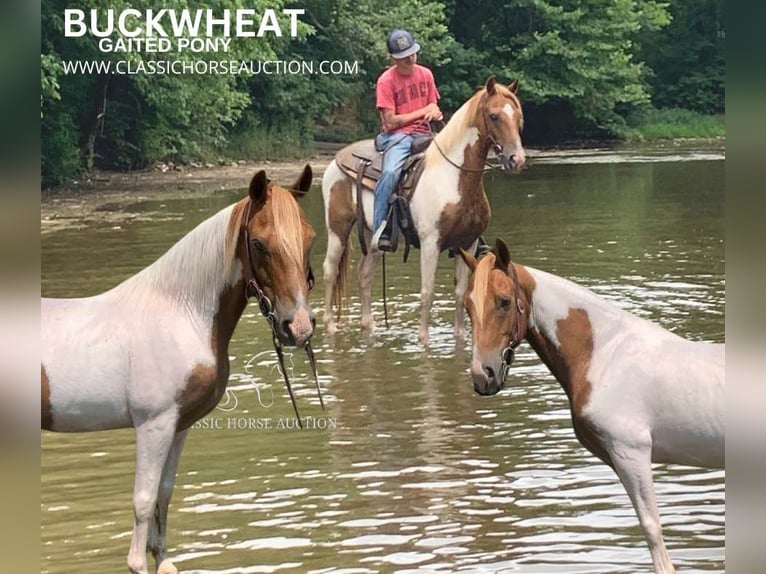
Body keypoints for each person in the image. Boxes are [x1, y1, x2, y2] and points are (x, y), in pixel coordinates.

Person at [371, 29, 442, 251]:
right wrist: (423, 111)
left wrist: (435, 112)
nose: (410, 59)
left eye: (412, 54)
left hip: (426, 133)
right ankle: (380, 227)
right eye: (404, 57)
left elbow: (433, 106)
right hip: (398, 136)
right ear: (393, 59)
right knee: (390, 173)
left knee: (457, 161)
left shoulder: (426, 75)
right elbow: (390, 121)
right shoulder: (386, 81)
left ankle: (469, 229)